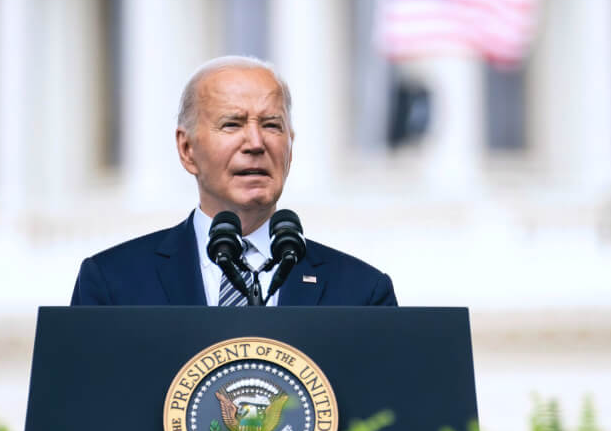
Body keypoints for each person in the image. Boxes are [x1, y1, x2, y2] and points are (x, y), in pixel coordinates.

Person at [70, 55, 397, 306]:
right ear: (187, 149)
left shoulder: (361, 292)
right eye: (232, 125)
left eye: (271, 125)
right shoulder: (112, 283)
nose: (255, 143)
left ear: (290, 148)